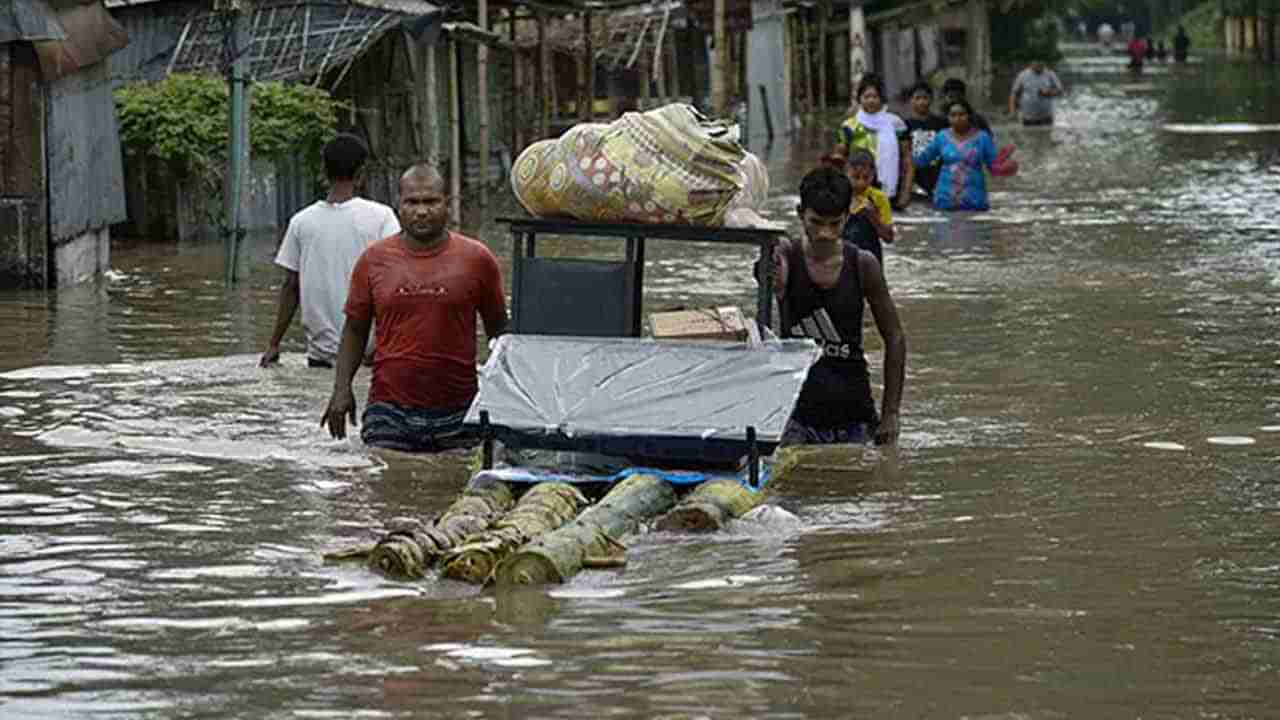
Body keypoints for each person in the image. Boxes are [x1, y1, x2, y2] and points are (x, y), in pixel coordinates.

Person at [321, 164, 508, 453]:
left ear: (448, 203)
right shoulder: (373, 260)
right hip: (389, 409)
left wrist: (505, 398)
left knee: (453, 488)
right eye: (412, 202)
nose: (421, 211)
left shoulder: (477, 259)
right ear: (399, 205)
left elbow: (500, 332)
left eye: (431, 201)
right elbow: (355, 329)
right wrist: (341, 389)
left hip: (460, 410)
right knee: (386, 488)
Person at [764, 166, 905, 446]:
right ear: (800, 214)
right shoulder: (785, 258)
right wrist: (768, 273)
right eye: (816, 222)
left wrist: (890, 414)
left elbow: (895, 337)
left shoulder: (863, 265)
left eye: (834, 223)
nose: (825, 233)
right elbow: (767, 288)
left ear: (847, 217)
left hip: (854, 413)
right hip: (797, 416)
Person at [260, 134, 401, 368]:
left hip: (320, 357)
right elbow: (395, 283)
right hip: (369, 355)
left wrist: (274, 344)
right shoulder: (382, 217)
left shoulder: (301, 222)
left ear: (323, 172)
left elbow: (291, 287)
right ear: (361, 174)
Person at [832, 73, 911, 209]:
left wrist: (906, 193)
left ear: (882, 98)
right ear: (859, 99)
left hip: (890, 192)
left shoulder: (896, 124)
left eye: (875, 97)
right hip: (856, 188)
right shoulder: (849, 126)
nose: (871, 101)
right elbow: (838, 160)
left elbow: (907, 161)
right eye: (866, 97)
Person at [914, 98, 1001, 212]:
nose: (957, 119)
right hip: (945, 200)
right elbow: (922, 160)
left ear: (969, 116)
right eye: (953, 115)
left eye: (961, 114)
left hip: (974, 201)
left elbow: (995, 167)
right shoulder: (942, 137)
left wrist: (1005, 165)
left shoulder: (982, 138)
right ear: (948, 118)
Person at [841, 149, 894, 267]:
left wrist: (872, 215)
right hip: (843, 257)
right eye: (855, 177)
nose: (861, 183)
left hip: (871, 256)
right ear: (846, 173)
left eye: (866, 177)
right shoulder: (839, 195)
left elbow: (889, 238)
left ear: (873, 175)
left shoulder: (879, 198)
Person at [903, 81, 948, 199]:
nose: (922, 102)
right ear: (911, 101)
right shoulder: (905, 125)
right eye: (917, 98)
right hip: (916, 180)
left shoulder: (942, 123)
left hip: (939, 177)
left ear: (931, 99)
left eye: (925, 98)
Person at [1008, 60, 1064, 127]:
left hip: (1046, 116)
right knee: (1028, 136)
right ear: (1031, 63)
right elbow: (1014, 93)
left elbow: (1060, 91)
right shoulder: (1023, 75)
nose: (1039, 66)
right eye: (1037, 64)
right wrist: (1012, 111)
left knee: (1046, 136)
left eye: (1041, 64)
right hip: (1028, 116)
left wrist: (1049, 93)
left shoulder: (1050, 74)